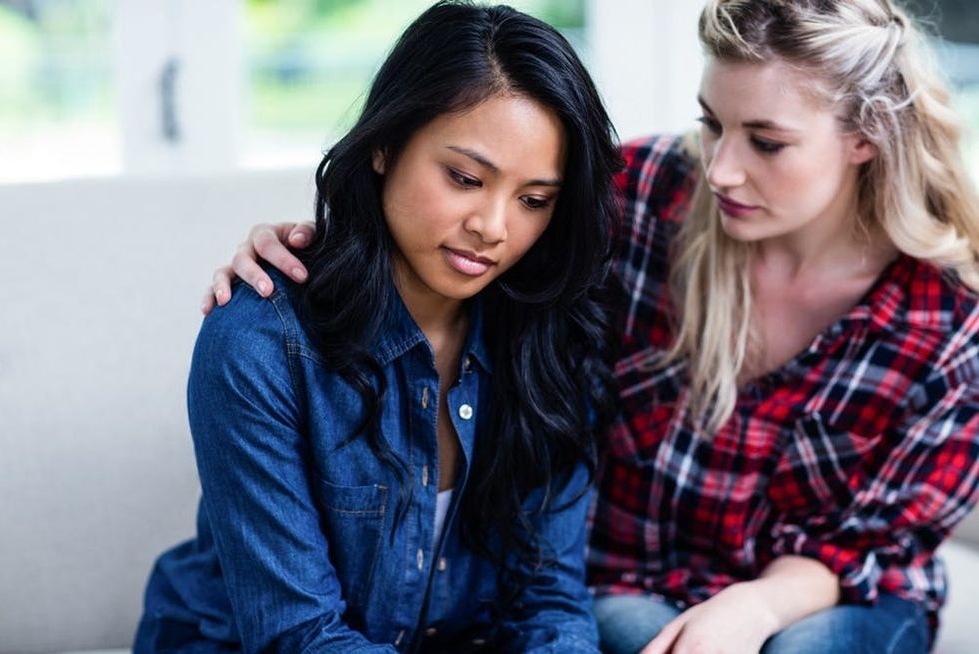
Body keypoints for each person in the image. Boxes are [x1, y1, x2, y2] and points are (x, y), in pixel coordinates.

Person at [208, 1, 979, 653]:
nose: (722, 172)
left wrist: (755, 607)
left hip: (822, 593)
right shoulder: (642, 196)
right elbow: (463, 186)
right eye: (712, 125)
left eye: (767, 142)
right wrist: (315, 243)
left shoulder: (948, 323)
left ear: (864, 138)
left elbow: (877, 542)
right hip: (639, 576)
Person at [135, 2, 623, 652]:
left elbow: (549, 603)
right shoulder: (260, 343)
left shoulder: (549, 339)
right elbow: (300, 635)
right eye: (465, 178)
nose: (494, 226)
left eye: (533, 201)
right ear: (385, 146)